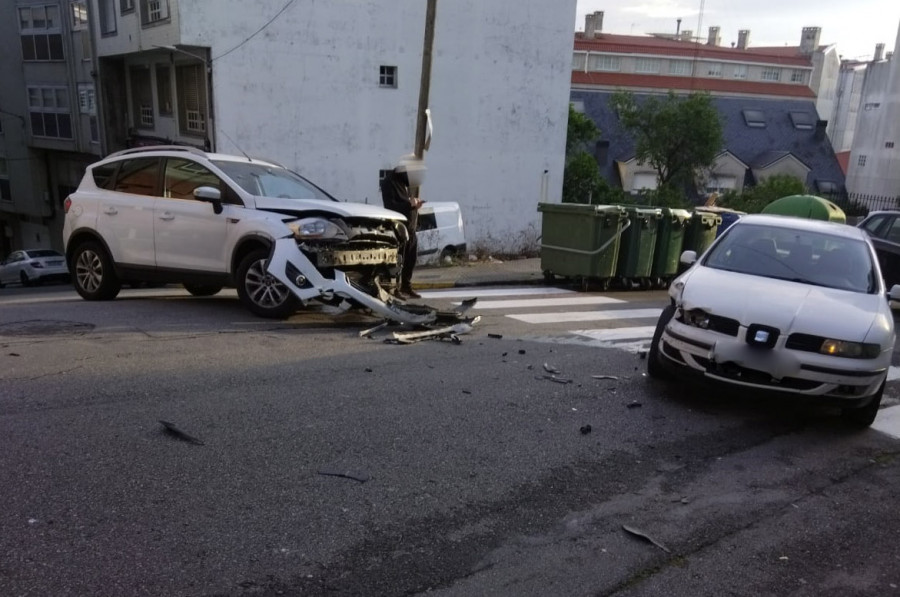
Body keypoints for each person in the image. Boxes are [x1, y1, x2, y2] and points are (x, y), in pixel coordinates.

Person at [379, 165, 423, 299]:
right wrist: (409, 204)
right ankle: (396, 288)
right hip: (398, 229)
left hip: (410, 228)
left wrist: (415, 206)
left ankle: (406, 286)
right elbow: (391, 207)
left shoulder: (405, 184)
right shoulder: (389, 183)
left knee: (411, 259)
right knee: (399, 260)